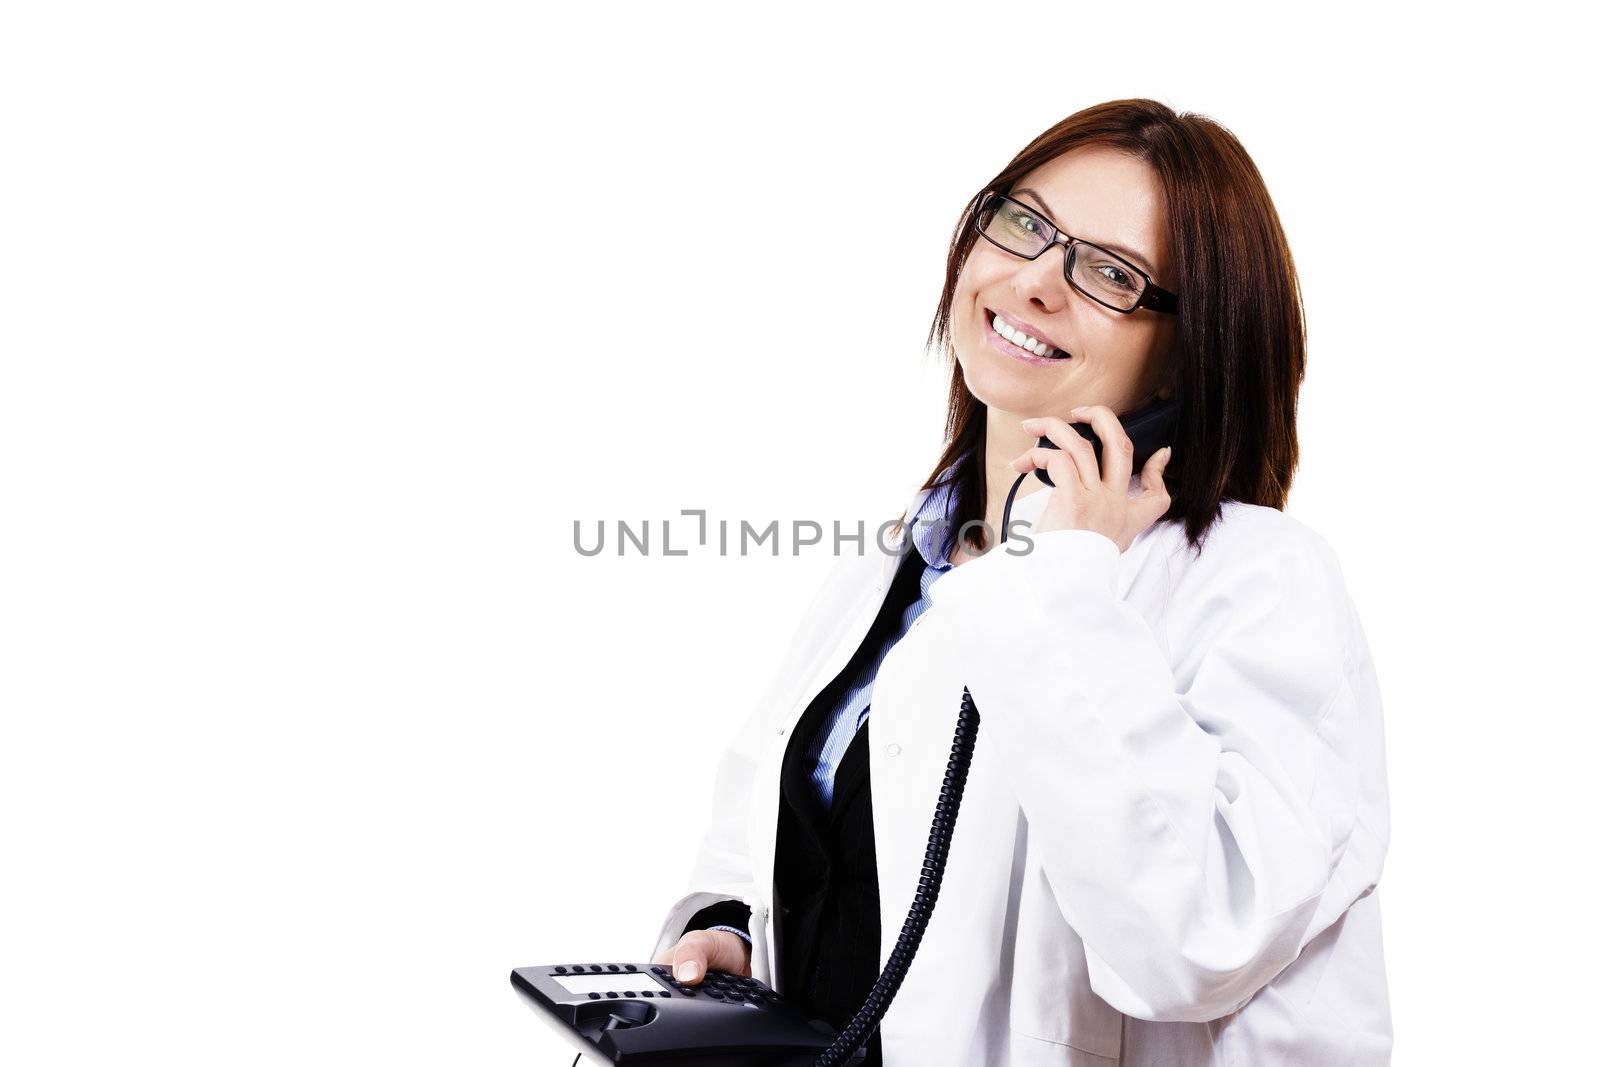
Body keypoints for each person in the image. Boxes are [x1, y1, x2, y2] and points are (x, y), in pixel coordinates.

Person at [649, 98, 1393, 1066]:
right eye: (1026, 224)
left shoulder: (1255, 578)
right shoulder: (892, 565)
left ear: (1188, 345)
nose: (1036, 281)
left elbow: (1195, 939)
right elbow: (772, 831)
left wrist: (1066, 583)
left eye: (1112, 274)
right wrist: (731, 929)